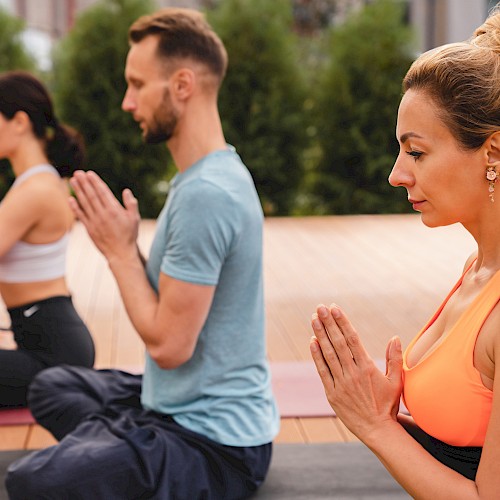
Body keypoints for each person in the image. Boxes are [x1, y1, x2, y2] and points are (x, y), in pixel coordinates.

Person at [5, 8, 279, 499]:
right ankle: (119, 442)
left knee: (30, 482)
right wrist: (128, 248)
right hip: (171, 402)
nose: (127, 102)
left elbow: (171, 348)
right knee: (52, 387)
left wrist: (118, 254)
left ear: (181, 85)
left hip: (216, 444)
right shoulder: (203, 178)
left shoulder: (207, 194)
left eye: (136, 84)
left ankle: (120, 445)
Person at [309, 6, 500, 498]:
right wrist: (380, 417)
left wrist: (376, 426)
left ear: (492, 153)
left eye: (416, 152)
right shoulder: (477, 270)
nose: (397, 173)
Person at [0, 71, 95, 408]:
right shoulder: (40, 183)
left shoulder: (36, 190)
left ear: (19, 122)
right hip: (48, 343)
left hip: (54, 357)